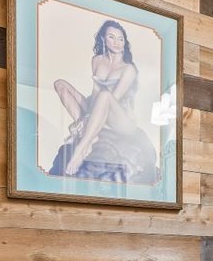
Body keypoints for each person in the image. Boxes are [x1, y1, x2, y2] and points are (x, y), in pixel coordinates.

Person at [50, 20, 158, 183]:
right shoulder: (96, 60)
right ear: (103, 39)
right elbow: (94, 93)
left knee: (105, 95)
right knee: (60, 84)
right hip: (97, 108)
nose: (117, 42)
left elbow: (113, 97)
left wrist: (87, 118)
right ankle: (89, 131)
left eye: (121, 39)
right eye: (112, 37)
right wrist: (86, 115)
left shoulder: (129, 69)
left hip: (120, 118)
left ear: (124, 42)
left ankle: (82, 148)